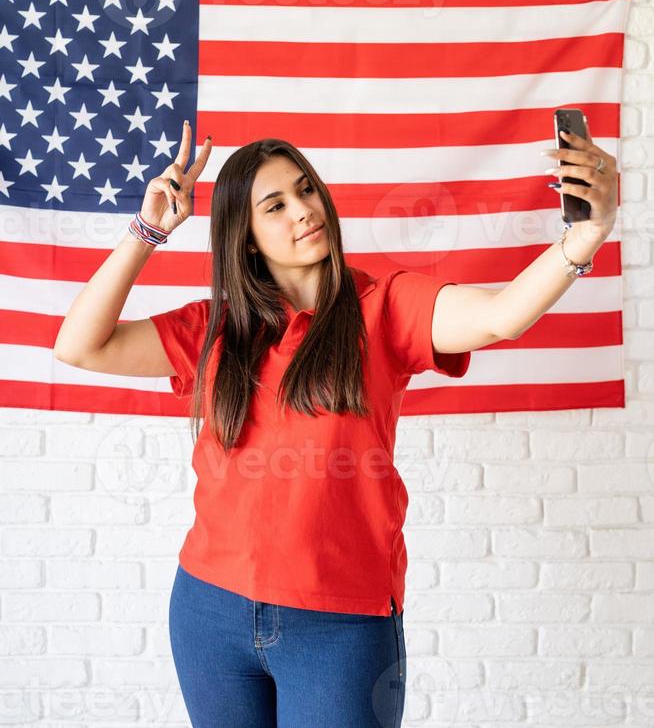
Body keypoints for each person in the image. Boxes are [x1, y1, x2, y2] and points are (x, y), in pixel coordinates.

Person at [54, 118, 617, 728]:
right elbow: (79, 346)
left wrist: (586, 235)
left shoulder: (384, 306)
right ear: (245, 238)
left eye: (306, 189)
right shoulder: (213, 328)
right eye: (276, 204)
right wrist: (149, 230)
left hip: (342, 624)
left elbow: (500, 316)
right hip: (209, 610)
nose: (304, 209)